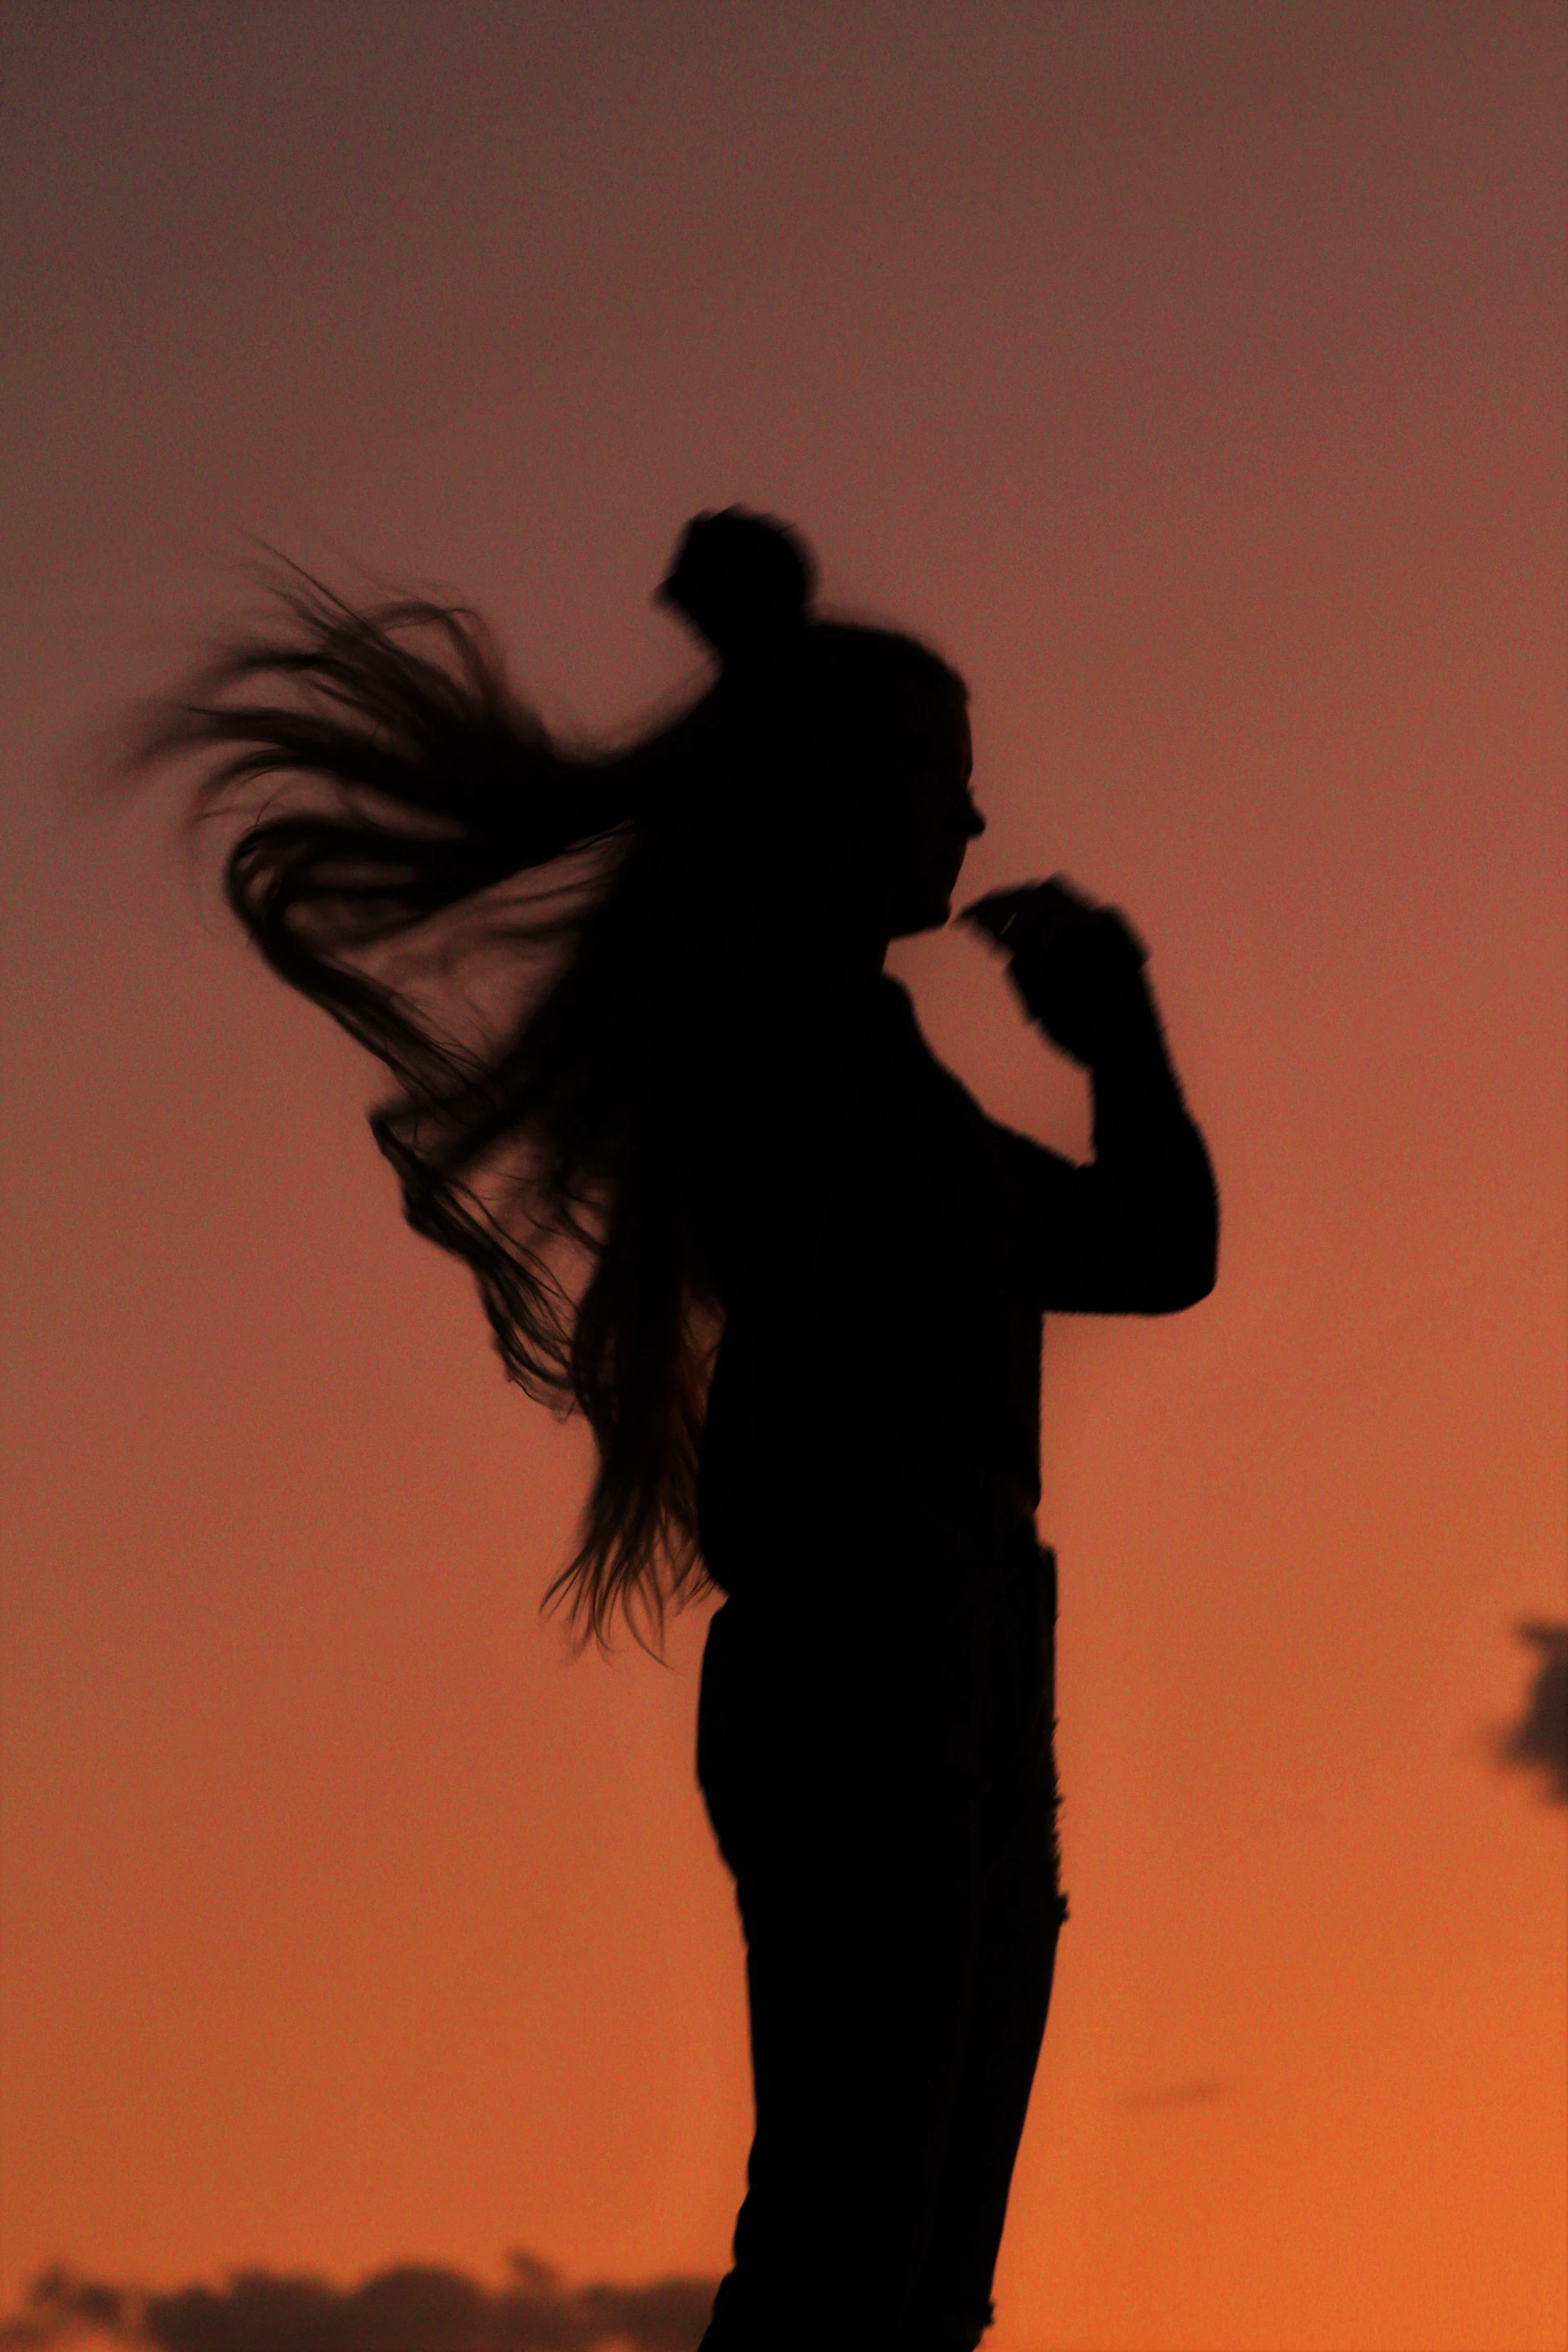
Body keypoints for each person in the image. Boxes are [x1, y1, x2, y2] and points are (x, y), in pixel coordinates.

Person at [130, 510, 1218, 2350]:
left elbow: (1148, 1252)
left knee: (917, 2256)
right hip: (876, 1622)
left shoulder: (866, 1066)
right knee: (860, 2236)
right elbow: (1126, 1247)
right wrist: (775, 670)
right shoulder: (787, 1039)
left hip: (957, 1631)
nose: (970, 821)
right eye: (941, 779)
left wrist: (1117, 1033)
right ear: (836, 791)